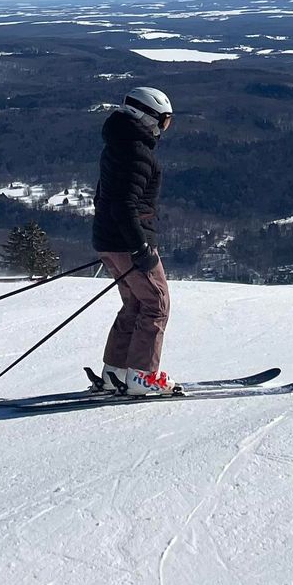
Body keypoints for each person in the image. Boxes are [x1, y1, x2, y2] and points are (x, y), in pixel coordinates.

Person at [93, 86, 178, 396]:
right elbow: (125, 204)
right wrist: (139, 246)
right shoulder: (137, 153)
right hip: (129, 241)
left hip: (108, 239)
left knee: (134, 305)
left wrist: (111, 239)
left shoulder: (116, 144)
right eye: (165, 120)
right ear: (148, 117)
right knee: (156, 305)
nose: (164, 127)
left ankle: (114, 373)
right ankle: (143, 376)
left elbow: (103, 196)